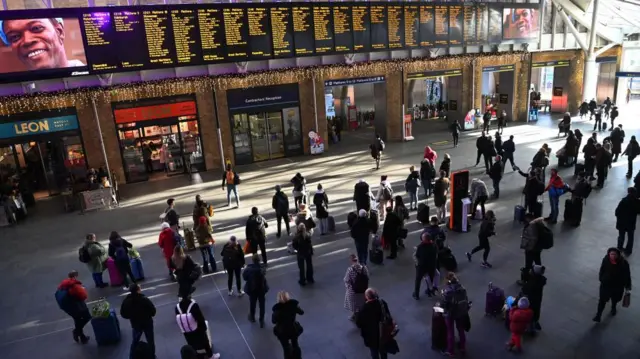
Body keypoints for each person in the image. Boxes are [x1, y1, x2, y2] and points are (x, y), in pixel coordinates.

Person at [0, 18, 86, 70]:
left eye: (36, 28)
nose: (27, 41)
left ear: (59, 32)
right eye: (14, 37)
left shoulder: (95, 80)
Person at [175, 288, 221, 359]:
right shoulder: (193, 305)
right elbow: (200, 318)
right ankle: (210, 355)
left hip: (186, 331)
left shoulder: (177, 307)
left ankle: (195, 355)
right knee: (205, 342)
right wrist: (204, 328)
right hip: (197, 329)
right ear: (189, 295)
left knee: (191, 344)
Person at [593, 248, 632, 322]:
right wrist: (601, 278)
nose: (612, 256)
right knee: (602, 300)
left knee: (615, 299)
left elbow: (627, 275)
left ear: (618, 255)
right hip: (606, 285)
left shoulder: (624, 263)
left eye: (614, 254)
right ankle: (598, 315)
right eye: (611, 254)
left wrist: (628, 287)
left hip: (617, 286)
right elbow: (602, 269)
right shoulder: (606, 260)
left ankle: (613, 307)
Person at [357, 288, 397, 359]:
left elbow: (359, 324)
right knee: (383, 351)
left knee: (374, 353)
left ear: (366, 297)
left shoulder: (363, 309)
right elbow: (388, 316)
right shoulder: (382, 303)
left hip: (371, 337)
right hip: (383, 333)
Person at [120, 284, 156, 359]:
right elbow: (153, 311)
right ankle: (152, 356)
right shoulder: (144, 299)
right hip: (147, 322)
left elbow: (123, 313)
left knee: (135, 341)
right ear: (138, 290)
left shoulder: (127, 301)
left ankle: (132, 356)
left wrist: (131, 316)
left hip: (135, 323)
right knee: (150, 341)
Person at [55, 270, 91, 344]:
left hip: (68, 307)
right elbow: (83, 296)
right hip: (77, 306)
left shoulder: (64, 283)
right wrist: (82, 289)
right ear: (75, 276)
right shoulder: (74, 285)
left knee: (77, 320)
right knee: (87, 317)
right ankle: (76, 331)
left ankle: (82, 337)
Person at [441, 273, 469, 357]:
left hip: (451, 313)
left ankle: (451, 351)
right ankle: (462, 347)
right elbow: (466, 299)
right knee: (461, 330)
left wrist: (443, 295)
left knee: (450, 331)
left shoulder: (448, 291)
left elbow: (444, 304)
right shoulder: (462, 288)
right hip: (461, 312)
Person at [272, 291, 304, 358]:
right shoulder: (293, 305)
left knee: (286, 347)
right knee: (295, 344)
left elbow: (274, 321)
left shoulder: (277, 310)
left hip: (282, 331)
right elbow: (301, 312)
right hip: (293, 328)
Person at [243, 254, 269, 328]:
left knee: (252, 303)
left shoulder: (248, 269)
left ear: (252, 260)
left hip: (252, 289)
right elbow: (264, 273)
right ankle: (261, 320)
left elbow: (245, 277)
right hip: (261, 288)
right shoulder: (262, 267)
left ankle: (252, 317)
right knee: (262, 305)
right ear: (259, 260)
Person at [412, 231, 439, 300]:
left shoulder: (420, 247)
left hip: (421, 267)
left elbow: (417, 256)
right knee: (431, 277)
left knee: (418, 280)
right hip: (431, 266)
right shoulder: (434, 245)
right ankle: (430, 290)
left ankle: (416, 294)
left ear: (423, 239)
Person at [518, 214, 544, 283]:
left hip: (532, 249)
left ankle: (524, 280)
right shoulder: (538, 223)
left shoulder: (531, 226)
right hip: (538, 248)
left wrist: (528, 248)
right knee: (538, 262)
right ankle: (539, 277)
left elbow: (533, 239)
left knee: (528, 265)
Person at [344, 254, 369, 321]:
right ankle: (362, 314)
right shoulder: (364, 268)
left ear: (351, 261)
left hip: (354, 292)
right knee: (361, 302)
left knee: (350, 298)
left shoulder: (350, 270)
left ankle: (355, 315)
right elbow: (367, 277)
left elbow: (346, 280)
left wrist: (348, 287)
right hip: (363, 291)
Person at [521, 265, 547, 331]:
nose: (530, 271)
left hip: (530, 299)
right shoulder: (540, 280)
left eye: (531, 270)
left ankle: (527, 324)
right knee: (537, 310)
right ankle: (535, 321)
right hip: (538, 299)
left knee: (528, 311)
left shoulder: (532, 282)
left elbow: (524, 289)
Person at [616, 188, 640, 255]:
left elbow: (617, 212)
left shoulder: (623, 201)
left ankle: (619, 247)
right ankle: (628, 251)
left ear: (628, 192)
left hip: (622, 222)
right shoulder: (637, 202)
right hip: (631, 223)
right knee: (630, 238)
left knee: (621, 236)